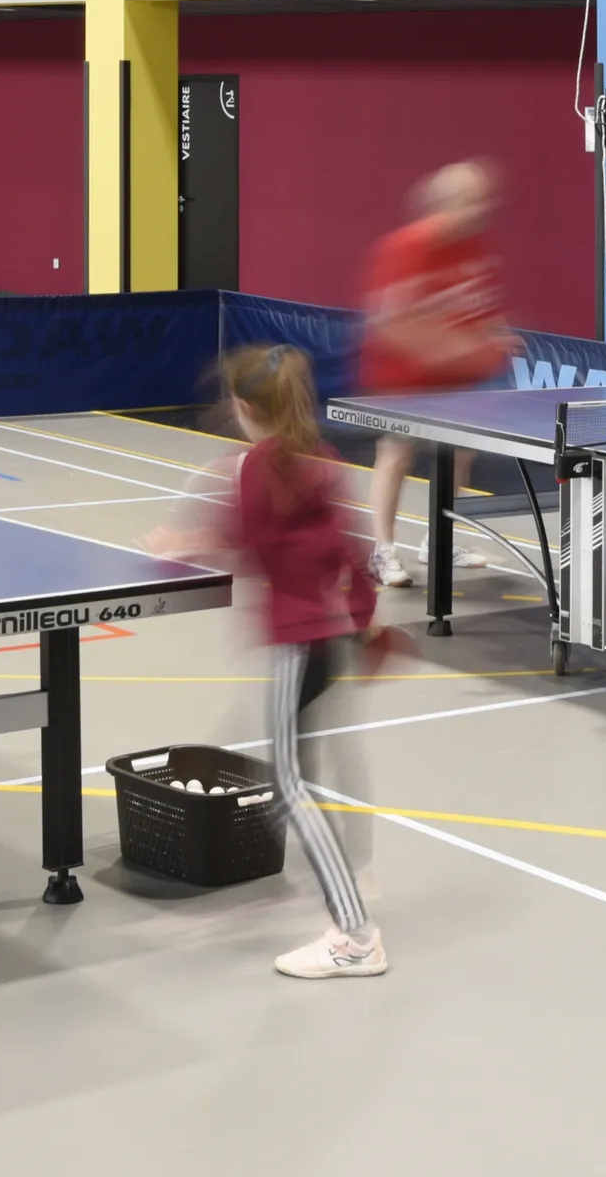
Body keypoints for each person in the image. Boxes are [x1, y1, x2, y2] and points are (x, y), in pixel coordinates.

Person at [220, 343, 387, 980]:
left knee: (289, 783)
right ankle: (350, 881)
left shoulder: (255, 469)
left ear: (244, 407)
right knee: (302, 770)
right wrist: (363, 629)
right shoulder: (323, 458)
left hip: (296, 643)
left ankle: (356, 935)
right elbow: (358, 554)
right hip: (330, 640)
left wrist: (184, 543)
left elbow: (247, 549)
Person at [357, 161, 515, 588]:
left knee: (461, 454)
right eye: (475, 201)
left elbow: (480, 306)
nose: (484, 208)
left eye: (486, 200)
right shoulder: (405, 248)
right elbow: (390, 323)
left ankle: (439, 541)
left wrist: (495, 334)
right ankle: (383, 550)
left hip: (457, 380)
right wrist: (456, 349)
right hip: (402, 378)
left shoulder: (473, 248)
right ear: (447, 202)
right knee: (397, 454)